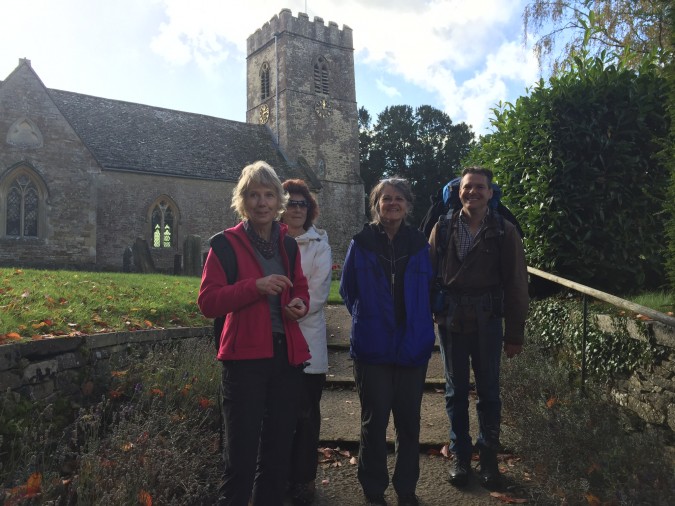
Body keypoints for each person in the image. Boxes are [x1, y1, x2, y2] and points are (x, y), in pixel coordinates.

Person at [198, 161, 311, 506]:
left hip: (285, 359)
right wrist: (255, 287)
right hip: (243, 360)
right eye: (253, 195)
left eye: (268, 194)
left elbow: (301, 291)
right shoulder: (225, 245)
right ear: (242, 201)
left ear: (279, 201)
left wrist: (298, 306)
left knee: (276, 458)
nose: (261, 202)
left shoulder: (288, 246)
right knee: (240, 460)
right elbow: (208, 302)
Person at [429, 166, 529, 491]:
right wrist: (428, 314)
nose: (472, 192)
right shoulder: (442, 228)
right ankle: (460, 457)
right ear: (459, 191)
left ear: (490, 192)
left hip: (488, 320)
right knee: (455, 392)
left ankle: (488, 459)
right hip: (451, 322)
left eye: (479, 188)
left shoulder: (504, 230)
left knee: (489, 392)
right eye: (467, 187)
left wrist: (515, 333)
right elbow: (427, 276)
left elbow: (516, 284)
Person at [340, 178, 436, 506]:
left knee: (409, 423)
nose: (392, 204)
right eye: (386, 199)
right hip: (372, 348)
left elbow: (430, 289)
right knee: (374, 422)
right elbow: (348, 291)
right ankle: (373, 490)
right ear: (376, 204)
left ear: (407, 205)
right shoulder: (361, 242)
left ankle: (406, 488)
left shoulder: (420, 243)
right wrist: (369, 320)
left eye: (398, 199)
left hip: (412, 348)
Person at [280, 179, 332, 506]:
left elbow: (319, 289)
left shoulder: (319, 243)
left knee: (307, 415)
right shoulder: (270, 240)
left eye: (302, 203)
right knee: (278, 414)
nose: (296, 208)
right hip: (274, 340)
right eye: (290, 202)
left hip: (308, 338)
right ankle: (277, 476)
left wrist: (292, 310)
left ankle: (303, 480)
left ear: (308, 209)